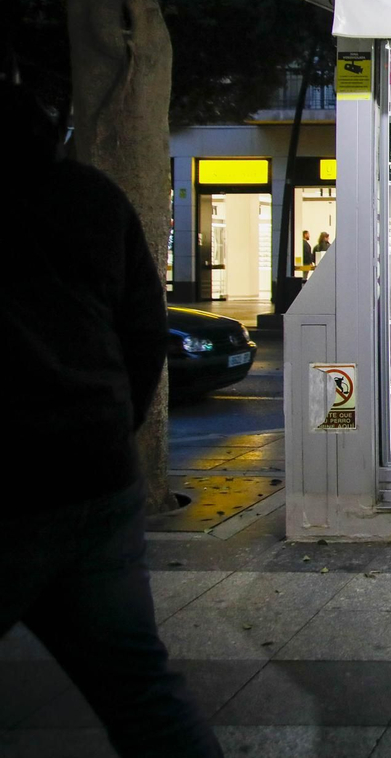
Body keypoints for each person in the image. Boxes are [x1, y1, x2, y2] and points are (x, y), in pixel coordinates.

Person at [0, 65, 223, 756]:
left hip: (16, 483)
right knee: (140, 689)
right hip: (96, 472)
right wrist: (108, 423)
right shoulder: (90, 197)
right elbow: (144, 329)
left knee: (139, 687)